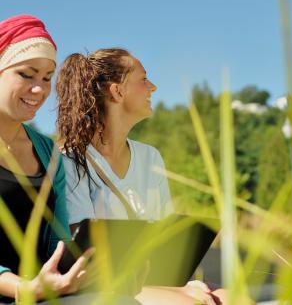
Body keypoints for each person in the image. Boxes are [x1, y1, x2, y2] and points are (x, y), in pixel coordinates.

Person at [56, 48, 226, 305]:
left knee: (232, 296)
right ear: (117, 91)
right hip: (103, 286)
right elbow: (86, 258)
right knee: (194, 302)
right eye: (144, 79)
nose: (153, 87)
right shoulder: (69, 162)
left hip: (153, 278)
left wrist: (179, 283)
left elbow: (164, 239)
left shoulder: (150, 158)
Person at [0, 15, 139, 305]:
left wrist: (88, 269)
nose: (39, 89)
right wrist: (25, 288)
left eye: (47, 78)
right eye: (26, 74)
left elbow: (57, 240)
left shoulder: (48, 152)